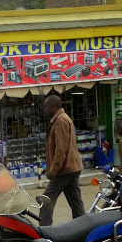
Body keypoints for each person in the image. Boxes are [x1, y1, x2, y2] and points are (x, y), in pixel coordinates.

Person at [40, 94, 84, 226]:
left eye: (46, 106)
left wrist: (52, 171)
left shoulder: (60, 121)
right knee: (75, 201)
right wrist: (48, 168)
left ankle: (44, 230)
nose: (45, 109)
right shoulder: (60, 119)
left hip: (64, 169)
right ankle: (82, 226)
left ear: (53, 106)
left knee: (46, 199)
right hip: (71, 167)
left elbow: (61, 150)